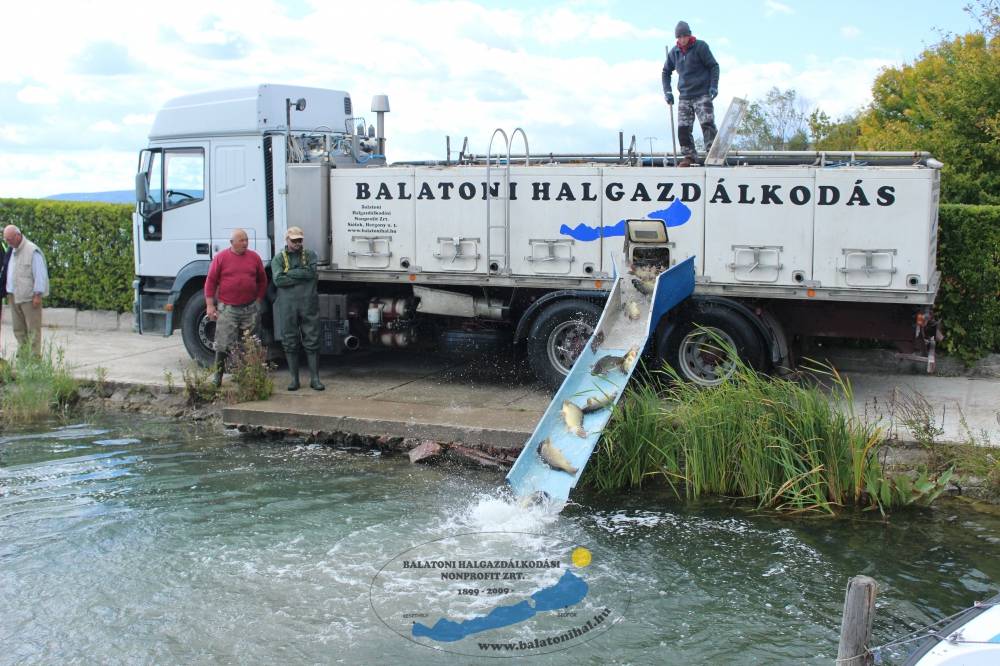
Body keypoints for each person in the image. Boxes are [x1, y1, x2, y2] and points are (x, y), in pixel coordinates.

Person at [204, 228, 267, 387]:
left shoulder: (254, 257)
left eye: (246, 240)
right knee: (223, 344)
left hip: (249, 308)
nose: (245, 243)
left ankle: (249, 378)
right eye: (242, 240)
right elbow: (210, 282)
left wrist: (258, 299)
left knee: (251, 344)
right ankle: (218, 376)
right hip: (228, 308)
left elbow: (262, 280)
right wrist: (210, 305)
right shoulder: (221, 258)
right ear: (232, 243)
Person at [271, 226, 324, 391]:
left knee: (313, 339)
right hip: (287, 306)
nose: (297, 243)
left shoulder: (310, 255)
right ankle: (294, 379)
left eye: (299, 240)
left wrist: (291, 273)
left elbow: (312, 273)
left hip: (308, 303)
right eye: (293, 240)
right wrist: (301, 274)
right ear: (287, 240)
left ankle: (315, 378)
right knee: (289, 340)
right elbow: (278, 280)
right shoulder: (278, 259)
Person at [662, 20, 720, 167]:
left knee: (707, 123)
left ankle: (713, 155)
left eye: (685, 36)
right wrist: (667, 91)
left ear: (689, 35)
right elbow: (665, 72)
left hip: (702, 93)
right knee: (683, 128)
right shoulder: (674, 53)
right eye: (680, 37)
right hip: (684, 96)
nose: (683, 39)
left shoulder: (701, 47)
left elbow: (713, 66)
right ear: (677, 38)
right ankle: (689, 156)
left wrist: (713, 86)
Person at [3, 225, 49, 355]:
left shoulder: (32, 250)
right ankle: (23, 356)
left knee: (33, 330)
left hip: (29, 297)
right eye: (6, 239)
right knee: (18, 329)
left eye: (10, 239)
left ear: (18, 236)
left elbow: (40, 274)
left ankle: (34, 359)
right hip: (13, 295)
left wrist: (37, 295)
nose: (8, 242)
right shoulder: (11, 250)